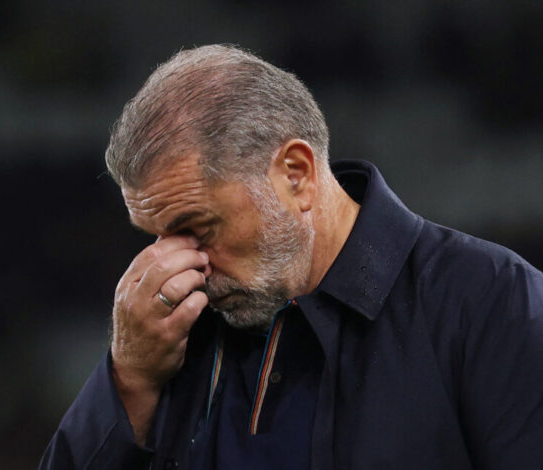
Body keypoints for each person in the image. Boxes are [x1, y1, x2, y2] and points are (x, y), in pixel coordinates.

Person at [39, 45, 543, 470]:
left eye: (198, 229)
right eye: (158, 238)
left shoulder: (494, 303)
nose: (179, 266)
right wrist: (129, 379)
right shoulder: (167, 340)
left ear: (296, 174)